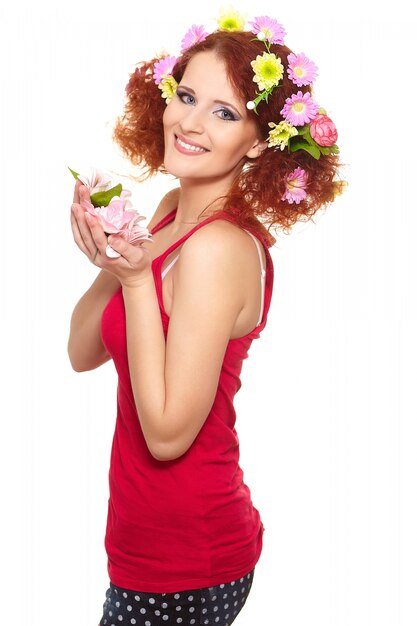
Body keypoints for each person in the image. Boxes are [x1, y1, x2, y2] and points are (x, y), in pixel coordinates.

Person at [68, 9, 344, 626]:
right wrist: (113, 263)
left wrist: (137, 279)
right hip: (141, 548)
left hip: (188, 561)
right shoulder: (168, 212)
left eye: (224, 111)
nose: (188, 123)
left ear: (259, 140)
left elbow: (168, 436)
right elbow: (82, 352)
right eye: (186, 95)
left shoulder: (220, 247)